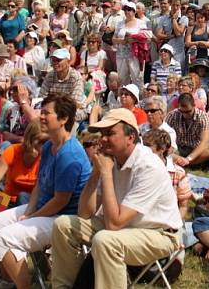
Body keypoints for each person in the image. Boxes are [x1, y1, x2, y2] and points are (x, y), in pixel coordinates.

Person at [50, 108, 182, 289]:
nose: (103, 139)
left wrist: (105, 173)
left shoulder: (148, 166)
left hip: (160, 233)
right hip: (125, 227)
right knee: (63, 225)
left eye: (110, 133)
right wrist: (96, 173)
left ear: (131, 138)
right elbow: (84, 213)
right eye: (102, 133)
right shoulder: (110, 160)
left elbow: (114, 224)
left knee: (105, 240)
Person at [0, 94, 91, 289]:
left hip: (65, 217)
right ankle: (7, 282)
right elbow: (40, 183)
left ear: (63, 119)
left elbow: (61, 201)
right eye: (42, 112)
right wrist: (29, 211)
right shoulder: (49, 146)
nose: (41, 117)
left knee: (5, 238)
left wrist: (32, 216)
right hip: (44, 208)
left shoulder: (69, 155)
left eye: (47, 113)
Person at [166, 92, 209, 167]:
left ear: (194, 105)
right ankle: (185, 163)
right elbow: (163, 131)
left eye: (188, 111)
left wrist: (189, 158)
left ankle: (184, 163)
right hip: (178, 148)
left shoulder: (202, 116)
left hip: (196, 149)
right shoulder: (173, 114)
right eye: (182, 111)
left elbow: (205, 142)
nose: (185, 114)